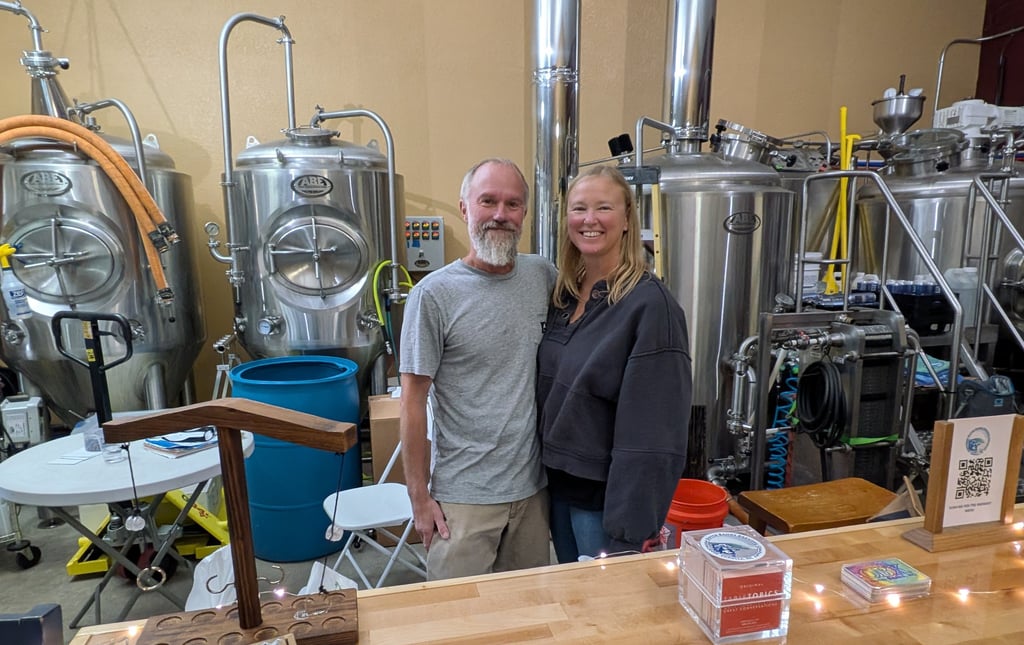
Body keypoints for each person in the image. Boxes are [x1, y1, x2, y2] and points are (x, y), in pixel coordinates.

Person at [399, 158, 556, 580]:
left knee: (527, 618)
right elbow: (412, 402)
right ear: (465, 208)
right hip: (463, 500)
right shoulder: (433, 295)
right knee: (457, 622)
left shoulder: (542, 275)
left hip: (532, 493)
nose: (500, 215)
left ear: (525, 213)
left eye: (513, 203)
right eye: (488, 201)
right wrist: (419, 497)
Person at [536, 164, 692, 563]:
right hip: (558, 488)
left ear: (627, 219)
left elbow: (656, 432)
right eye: (579, 209)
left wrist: (633, 525)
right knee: (573, 598)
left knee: (606, 611)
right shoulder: (565, 296)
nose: (589, 220)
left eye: (603, 208)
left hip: (606, 504)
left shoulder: (650, 306)